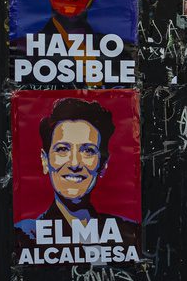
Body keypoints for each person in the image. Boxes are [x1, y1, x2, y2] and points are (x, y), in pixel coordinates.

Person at [14, 97, 139, 262]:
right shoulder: (24, 236)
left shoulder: (129, 233)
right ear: (45, 161)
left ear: (103, 164)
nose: (74, 163)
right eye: (62, 149)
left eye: (88, 150)